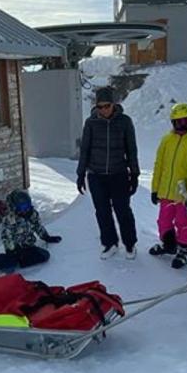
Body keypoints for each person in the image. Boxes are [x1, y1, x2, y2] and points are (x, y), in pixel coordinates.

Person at [77, 87, 139, 260]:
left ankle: (130, 243)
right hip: (96, 175)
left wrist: (134, 174)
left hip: (118, 174)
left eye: (107, 105)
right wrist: (81, 173)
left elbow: (131, 150)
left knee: (122, 210)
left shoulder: (125, 121)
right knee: (102, 211)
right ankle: (110, 243)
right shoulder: (90, 123)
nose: (103, 109)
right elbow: (85, 150)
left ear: (114, 104)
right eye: (100, 106)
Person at [148, 102, 187, 269]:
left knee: (183, 222)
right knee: (163, 221)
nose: (181, 125)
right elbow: (159, 164)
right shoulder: (167, 139)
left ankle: (184, 250)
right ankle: (169, 245)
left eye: (185, 121)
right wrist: (155, 188)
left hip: (184, 193)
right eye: (178, 122)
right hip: (166, 190)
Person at [0, 189, 63, 277]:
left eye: (27, 206)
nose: (26, 209)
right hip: (15, 248)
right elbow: (6, 236)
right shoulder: (10, 219)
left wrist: (46, 237)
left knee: (44, 256)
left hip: (28, 246)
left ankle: (18, 261)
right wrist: (12, 250)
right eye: (22, 207)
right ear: (15, 207)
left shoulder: (32, 214)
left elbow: (37, 226)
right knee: (10, 260)